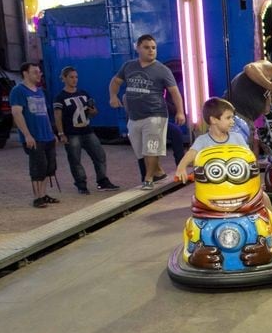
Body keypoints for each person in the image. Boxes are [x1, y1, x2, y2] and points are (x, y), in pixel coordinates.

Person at [109, 34, 186, 190]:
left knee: (151, 148)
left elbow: (174, 92)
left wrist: (180, 112)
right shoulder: (128, 66)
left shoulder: (162, 70)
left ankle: (148, 179)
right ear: (138, 48)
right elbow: (115, 81)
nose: (151, 51)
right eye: (146, 47)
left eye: (153, 48)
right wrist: (113, 96)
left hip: (155, 115)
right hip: (134, 117)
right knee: (141, 151)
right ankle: (158, 172)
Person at [53, 66, 118, 194]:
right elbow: (57, 116)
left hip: (87, 130)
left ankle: (102, 181)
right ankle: (81, 184)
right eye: (71, 77)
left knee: (99, 155)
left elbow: (93, 112)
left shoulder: (83, 94)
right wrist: (61, 133)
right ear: (64, 78)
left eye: (76, 77)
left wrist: (93, 111)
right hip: (72, 133)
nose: (74, 80)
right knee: (75, 160)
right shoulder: (60, 97)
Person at [11, 62, 59, 208]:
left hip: (47, 136)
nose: (39, 75)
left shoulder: (39, 91)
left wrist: (52, 134)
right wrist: (27, 135)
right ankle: (37, 197)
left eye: (39, 72)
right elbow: (17, 113)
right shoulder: (18, 91)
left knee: (49, 166)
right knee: (38, 166)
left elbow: (44, 114)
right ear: (25, 73)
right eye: (35, 72)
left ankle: (43, 194)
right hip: (34, 136)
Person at [174, 98, 249, 182]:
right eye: (228, 118)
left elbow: (248, 156)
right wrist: (181, 167)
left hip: (236, 182)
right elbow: (191, 153)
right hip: (212, 186)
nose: (232, 121)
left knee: (261, 195)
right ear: (213, 120)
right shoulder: (202, 141)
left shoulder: (237, 138)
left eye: (232, 118)